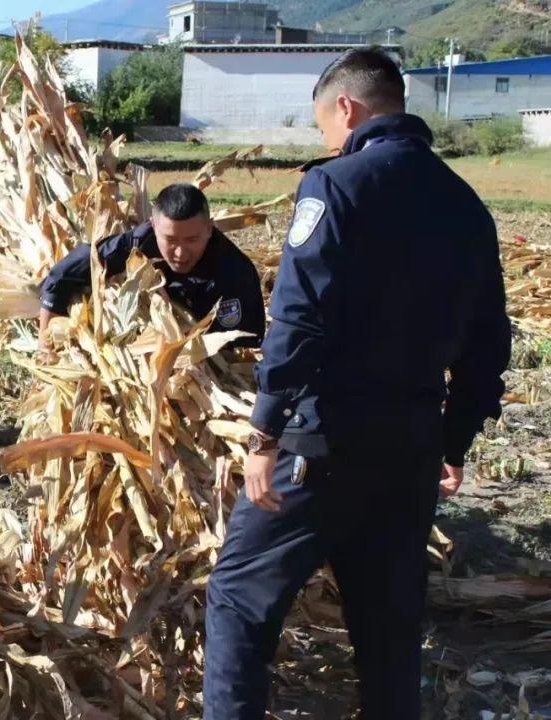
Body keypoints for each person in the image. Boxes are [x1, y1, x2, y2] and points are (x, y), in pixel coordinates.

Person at [203, 48, 511, 719]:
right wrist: (452, 443)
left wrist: (264, 434)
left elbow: (298, 318)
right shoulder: (466, 206)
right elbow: (489, 346)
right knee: (389, 634)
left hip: (323, 449)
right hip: (410, 453)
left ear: (347, 109)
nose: (326, 141)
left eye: (324, 127)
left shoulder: (335, 187)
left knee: (238, 600)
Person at [38, 183, 265, 350]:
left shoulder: (235, 272)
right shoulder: (138, 243)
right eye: (171, 240)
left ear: (209, 229)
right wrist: (44, 345)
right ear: (153, 226)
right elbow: (62, 276)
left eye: (192, 240)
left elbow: (245, 345)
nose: (180, 253)